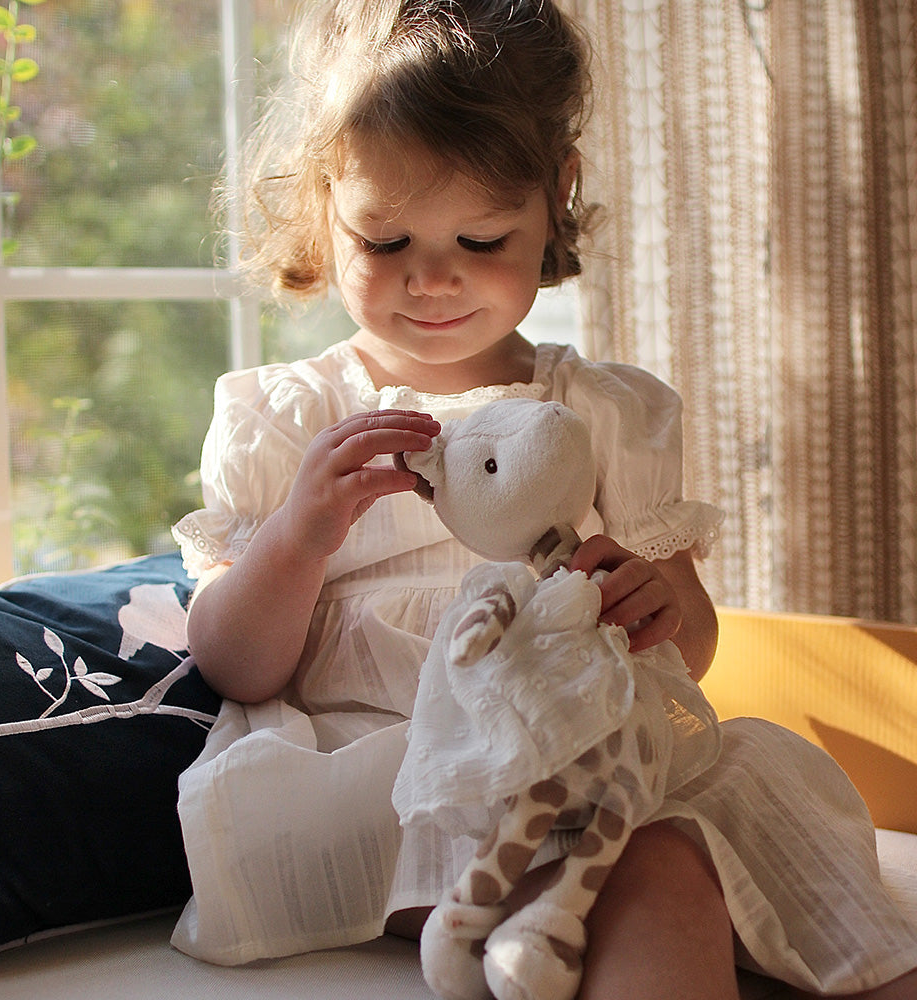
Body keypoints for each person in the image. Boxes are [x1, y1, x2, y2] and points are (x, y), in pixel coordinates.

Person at [169, 1, 917, 997]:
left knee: (701, 853)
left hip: (605, 759)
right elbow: (234, 662)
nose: (431, 280)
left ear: (555, 193)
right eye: (384, 241)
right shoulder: (287, 416)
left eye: (480, 238)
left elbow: (688, 649)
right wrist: (299, 538)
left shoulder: (604, 410)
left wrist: (657, 604)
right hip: (407, 780)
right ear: (322, 204)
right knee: (610, 870)